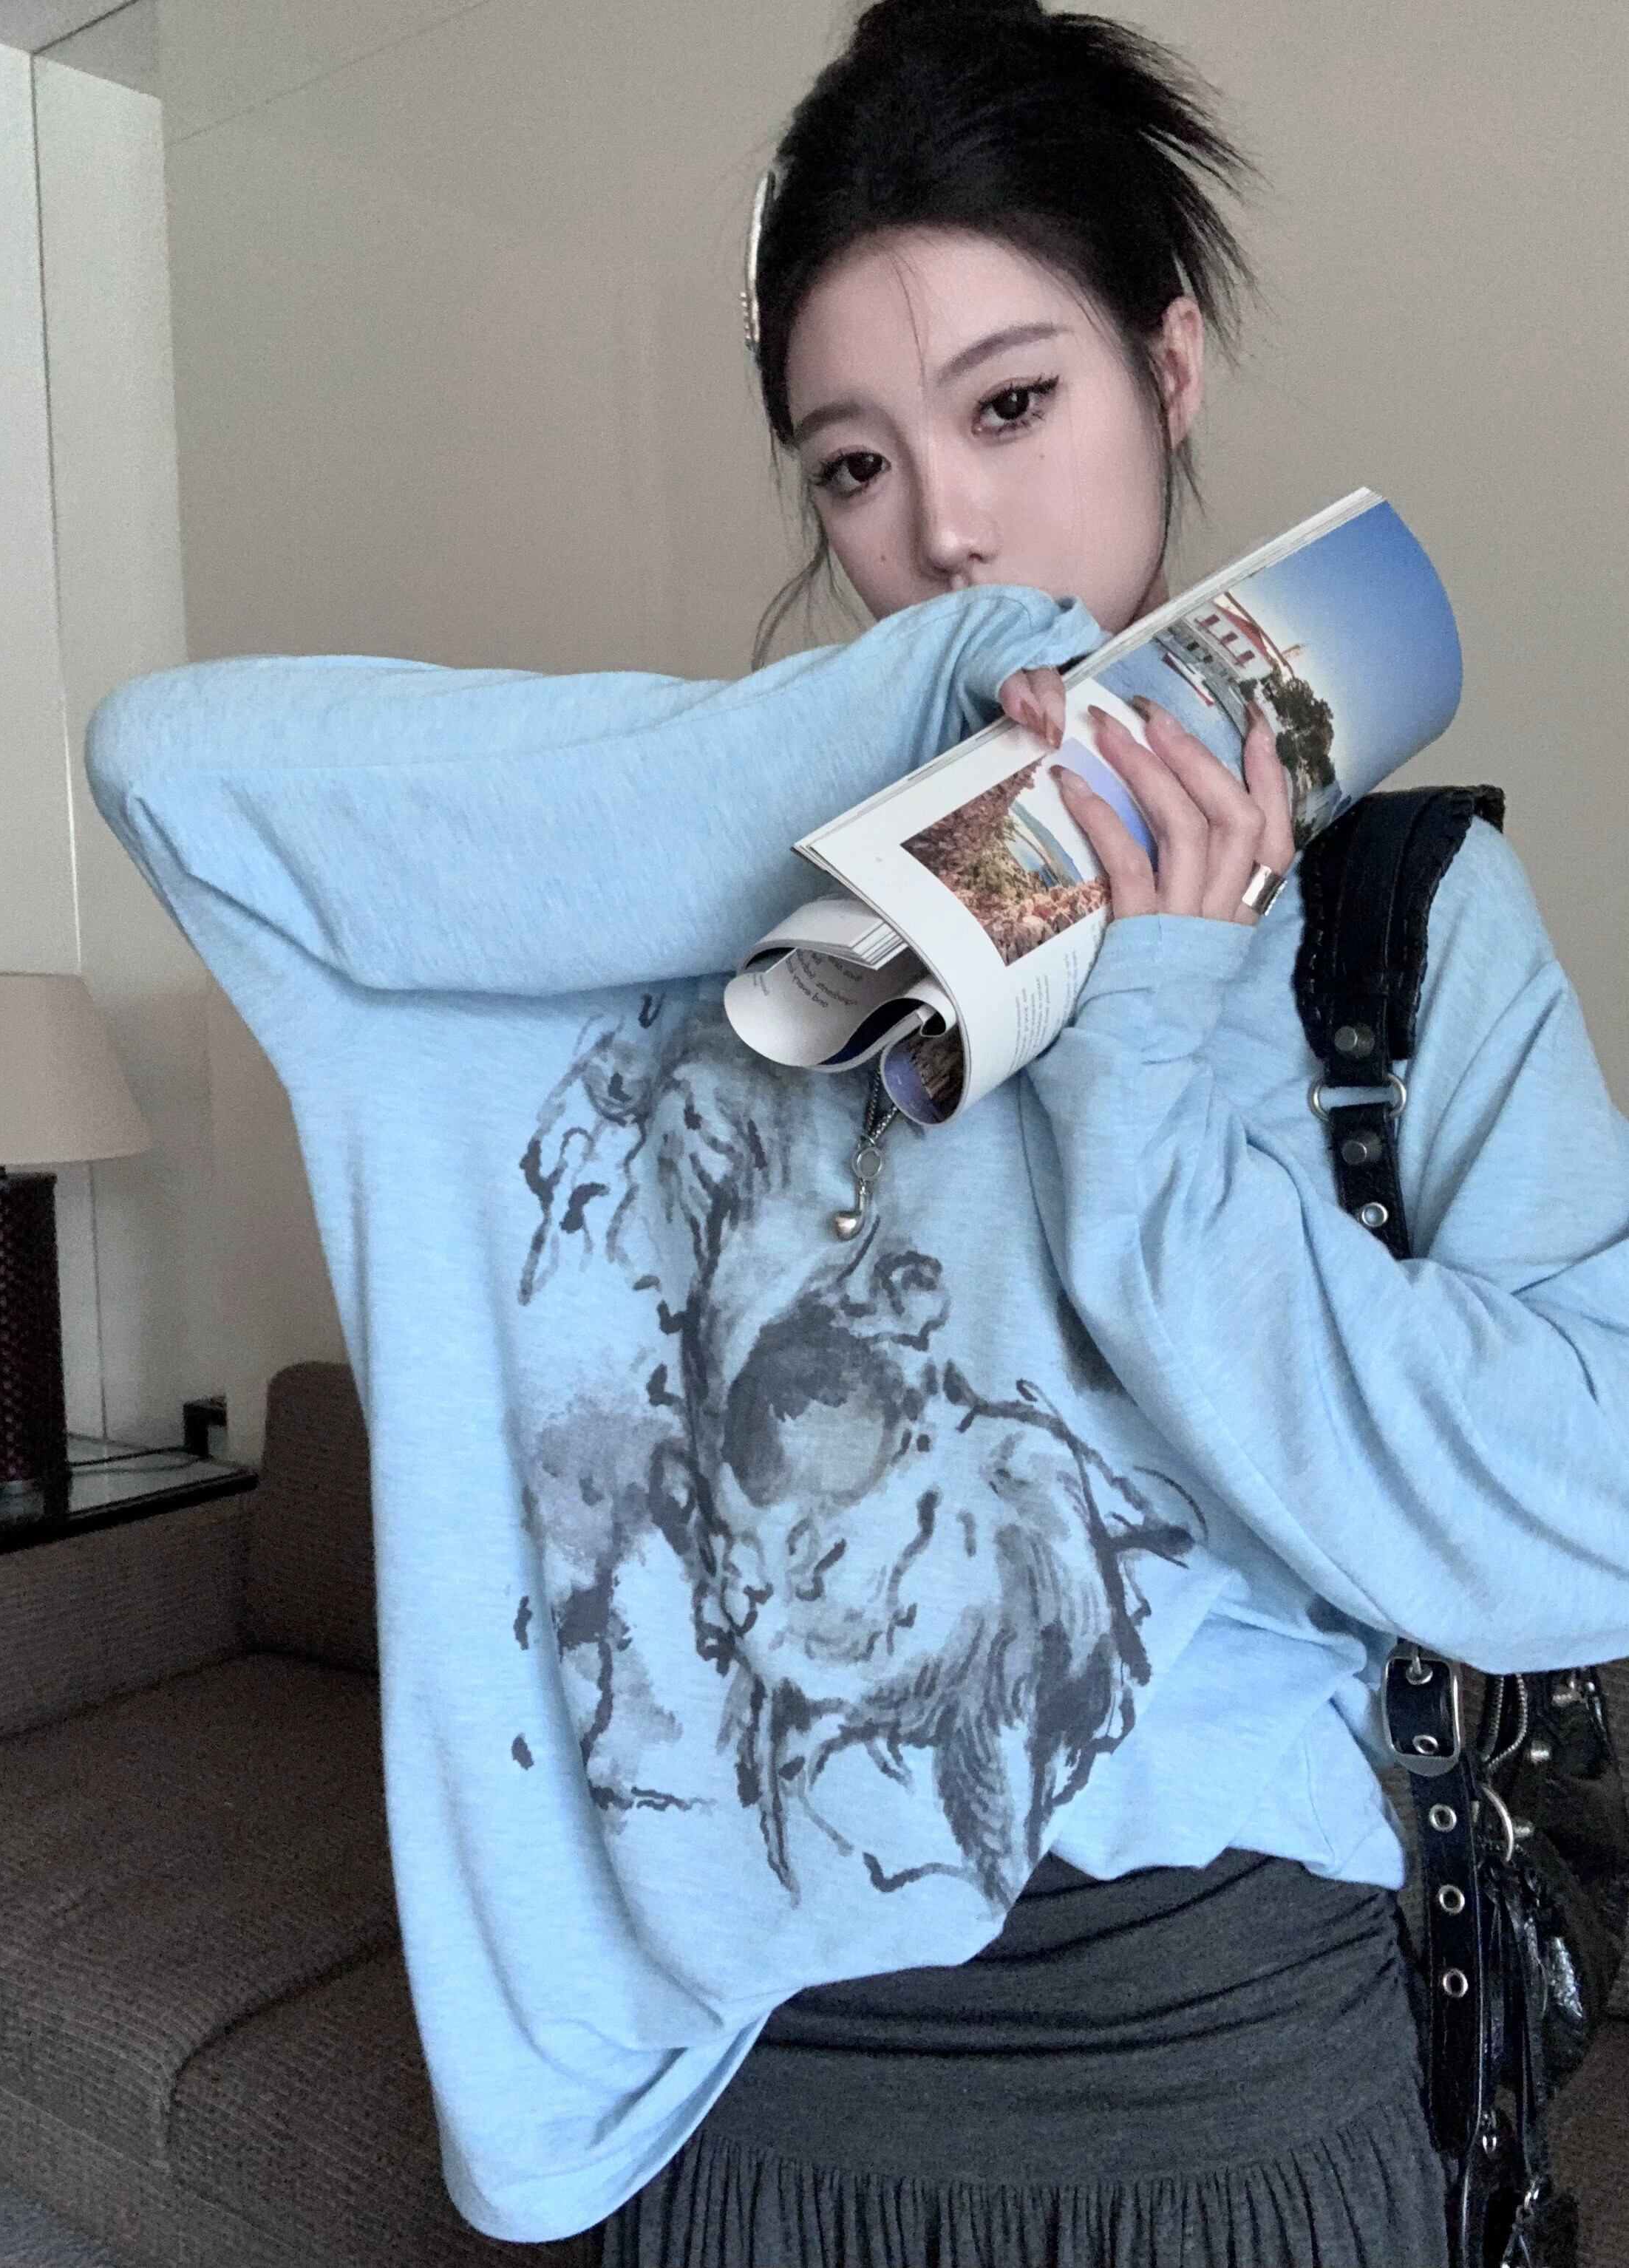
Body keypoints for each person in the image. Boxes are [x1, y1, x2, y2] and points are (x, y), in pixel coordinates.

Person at [80, 4, 1629, 2266]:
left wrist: (1156, 1089)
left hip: (1233, 2111)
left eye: (1013, 406)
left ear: (1168, 370)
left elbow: (1590, 1510)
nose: (945, 527)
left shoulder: (1400, 923)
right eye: (850, 465)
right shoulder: (710, 906)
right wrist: (890, 719)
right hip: (757, 2123)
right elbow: (174, 771)